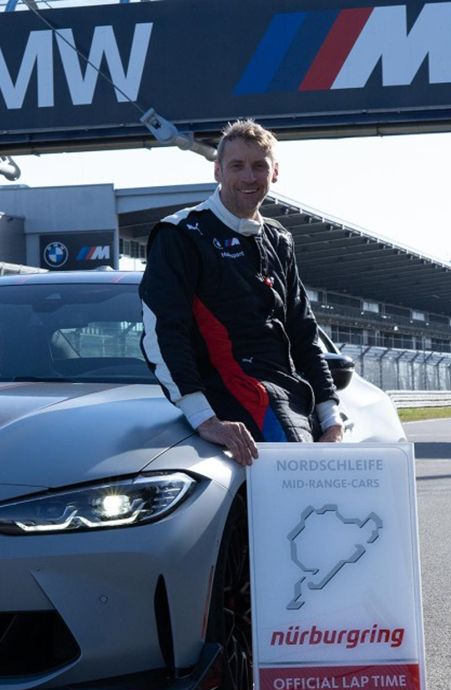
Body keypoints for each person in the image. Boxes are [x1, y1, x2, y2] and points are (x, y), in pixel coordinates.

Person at [139, 119, 344, 466]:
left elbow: (303, 331)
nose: (249, 177)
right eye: (237, 166)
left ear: (275, 172)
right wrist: (204, 418)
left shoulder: (279, 238)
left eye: (259, 166)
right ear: (217, 171)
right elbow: (163, 332)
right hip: (233, 400)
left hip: (290, 396)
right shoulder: (182, 234)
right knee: (299, 494)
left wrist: (331, 416)